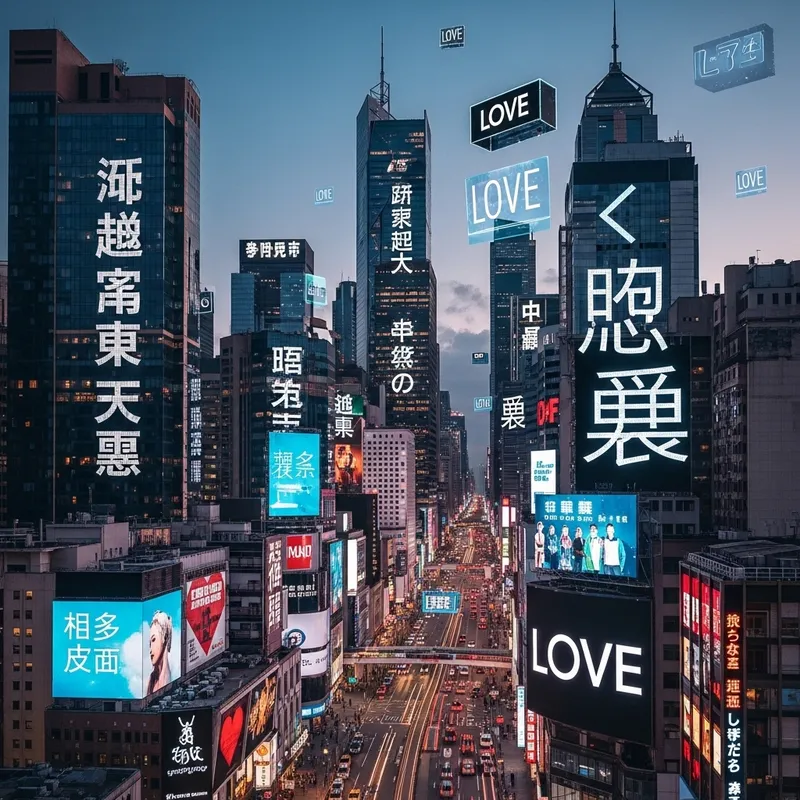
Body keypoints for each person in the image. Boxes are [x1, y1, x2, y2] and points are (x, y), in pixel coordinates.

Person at [146, 610, 174, 694]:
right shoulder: (152, 679)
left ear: (164, 638)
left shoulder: (170, 677)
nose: (150, 649)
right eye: (150, 644)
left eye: (153, 640)